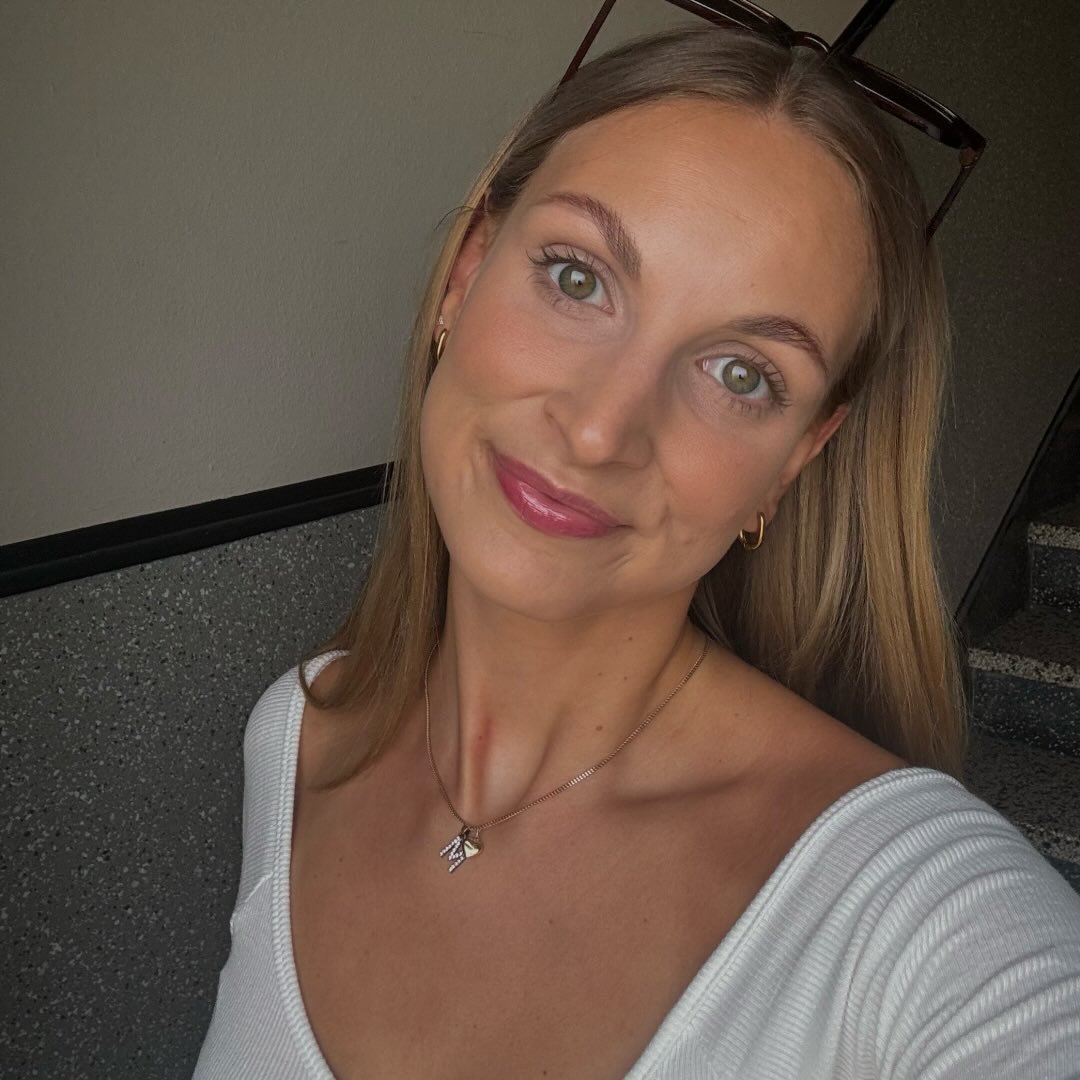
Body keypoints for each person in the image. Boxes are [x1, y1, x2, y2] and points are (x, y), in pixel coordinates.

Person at [194, 18, 1080, 1080]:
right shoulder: (298, 736)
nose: (601, 428)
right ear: (464, 277)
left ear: (794, 461)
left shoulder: (910, 918)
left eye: (742, 373)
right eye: (577, 278)